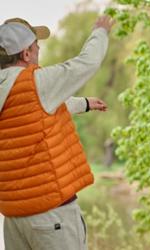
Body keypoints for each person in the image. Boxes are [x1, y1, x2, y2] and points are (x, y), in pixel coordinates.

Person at [0, 15, 114, 250]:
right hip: (51, 217)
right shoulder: (36, 82)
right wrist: (100, 32)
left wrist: (83, 103)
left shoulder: (9, 89)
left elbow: (33, 110)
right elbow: (87, 62)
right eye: (36, 47)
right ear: (26, 54)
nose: (39, 51)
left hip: (13, 219)